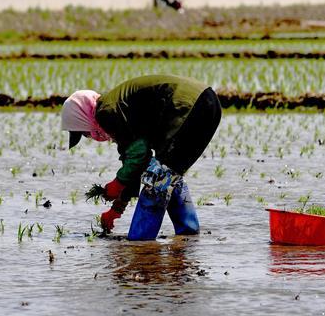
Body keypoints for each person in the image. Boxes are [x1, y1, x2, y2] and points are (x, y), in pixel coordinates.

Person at [61, 74, 221, 240]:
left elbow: (139, 155)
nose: (90, 136)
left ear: (83, 117)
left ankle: (140, 243)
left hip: (188, 107)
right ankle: (188, 236)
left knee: (158, 179)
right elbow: (137, 164)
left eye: (85, 133)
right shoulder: (117, 110)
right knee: (168, 173)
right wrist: (116, 209)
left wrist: (117, 182)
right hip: (207, 103)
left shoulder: (106, 113)